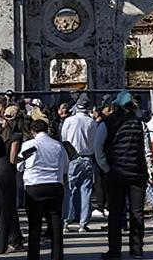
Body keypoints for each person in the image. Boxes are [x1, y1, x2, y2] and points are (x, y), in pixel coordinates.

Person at [96, 91, 149, 259]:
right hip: (137, 173)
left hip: (116, 173)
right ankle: (137, 249)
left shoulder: (107, 123)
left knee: (115, 214)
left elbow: (98, 148)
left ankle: (114, 251)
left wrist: (106, 168)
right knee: (137, 213)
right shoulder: (140, 123)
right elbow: (145, 149)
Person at [17, 119, 69, 260]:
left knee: (35, 224)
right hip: (55, 185)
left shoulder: (30, 144)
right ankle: (57, 256)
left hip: (35, 186)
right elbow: (66, 167)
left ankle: (33, 256)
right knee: (56, 221)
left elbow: (19, 165)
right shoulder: (58, 145)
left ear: (32, 131)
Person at [60, 96, 97, 232]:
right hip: (87, 157)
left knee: (69, 190)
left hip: (72, 157)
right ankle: (83, 222)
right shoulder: (91, 122)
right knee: (86, 190)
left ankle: (66, 221)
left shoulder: (69, 121)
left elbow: (64, 138)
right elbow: (94, 141)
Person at [0, 103, 25, 254]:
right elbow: (13, 159)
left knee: (6, 206)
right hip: (9, 172)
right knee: (9, 207)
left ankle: (15, 238)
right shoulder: (16, 136)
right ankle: (9, 241)